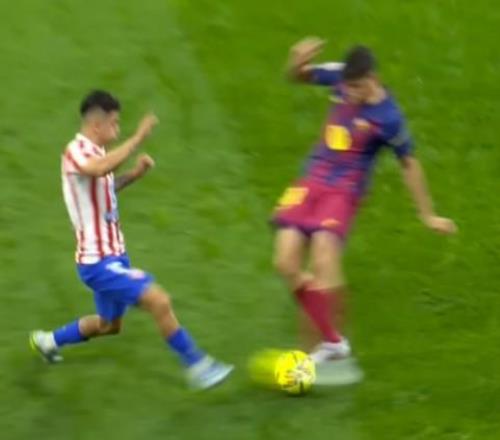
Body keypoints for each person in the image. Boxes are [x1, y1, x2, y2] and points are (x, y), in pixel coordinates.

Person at [272, 38, 457, 382]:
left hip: (343, 191)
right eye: (347, 87)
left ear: (372, 78)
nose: (349, 93)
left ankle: (326, 344)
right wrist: (295, 61)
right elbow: (297, 77)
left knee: (324, 258)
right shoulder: (340, 75)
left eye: (356, 87)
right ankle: (332, 340)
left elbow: (409, 164)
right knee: (284, 262)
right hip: (310, 181)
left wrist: (427, 214)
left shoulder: (388, 118)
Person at [30, 90, 233, 390]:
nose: (118, 129)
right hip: (98, 262)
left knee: (109, 325)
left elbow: (105, 189)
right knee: (159, 301)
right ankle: (198, 365)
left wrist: (134, 174)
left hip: (114, 257)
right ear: (96, 124)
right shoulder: (76, 151)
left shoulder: (97, 152)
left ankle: (47, 340)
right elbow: (98, 170)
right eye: (114, 123)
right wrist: (138, 138)